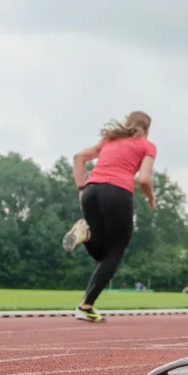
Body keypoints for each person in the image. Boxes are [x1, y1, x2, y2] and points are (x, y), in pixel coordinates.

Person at [63, 111, 157, 323]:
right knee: (115, 253)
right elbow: (144, 179)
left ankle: (85, 235)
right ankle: (86, 306)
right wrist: (151, 198)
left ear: (127, 124)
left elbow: (79, 157)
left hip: (90, 191)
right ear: (148, 129)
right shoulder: (146, 145)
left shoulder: (110, 140)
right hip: (116, 193)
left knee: (103, 255)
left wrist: (81, 189)